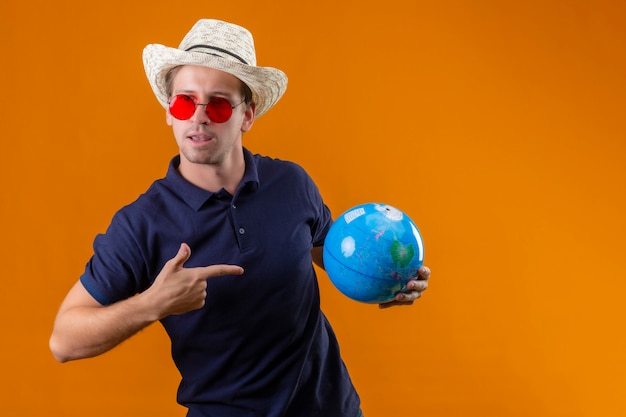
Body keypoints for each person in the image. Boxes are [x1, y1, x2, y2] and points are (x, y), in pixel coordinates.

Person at [49, 19, 431, 417]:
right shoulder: (141, 223)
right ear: (169, 112)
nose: (198, 117)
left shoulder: (292, 184)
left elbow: (325, 252)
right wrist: (153, 304)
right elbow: (64, 340)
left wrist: (388, 278)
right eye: (184, 102)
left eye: (216, 104)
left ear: (246, 115)